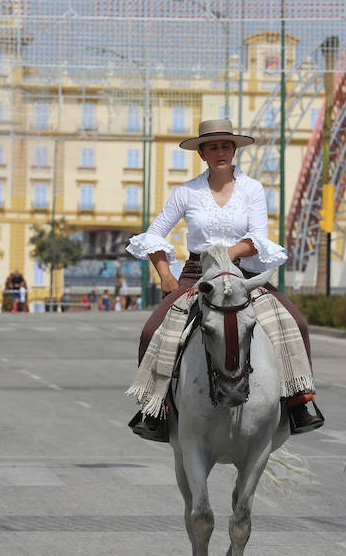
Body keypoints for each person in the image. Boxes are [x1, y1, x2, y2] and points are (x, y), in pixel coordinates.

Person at [126, 119, 323, 441]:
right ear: (202, 153)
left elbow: (258, 237)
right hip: (197, 273)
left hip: (244, 272)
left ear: (234, 150)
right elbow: (154, 235)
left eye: (226, 145)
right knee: (152, 331)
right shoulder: (186, 192)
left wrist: (225, 254)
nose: (220, 152)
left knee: (296, 324)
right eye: (213, 146)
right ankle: (154, 408)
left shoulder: (252, 189)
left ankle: (300, 401)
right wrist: (165, 276)